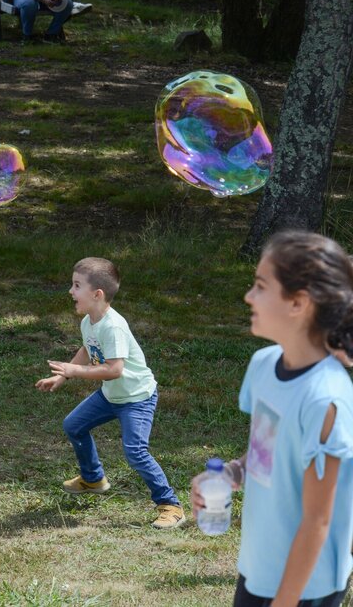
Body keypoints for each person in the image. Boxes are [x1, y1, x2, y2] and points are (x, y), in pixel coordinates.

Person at [191, 231, 353, 607]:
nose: (248, 296)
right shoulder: (263, 365)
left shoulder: (325, 398)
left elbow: (317, 521)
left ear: (298, 303)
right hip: (259, 565)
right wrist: (230, 474)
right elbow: (266, 453)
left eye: (261, 286)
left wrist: (286, 600)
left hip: (306, 586)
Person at [36, 257, 184, 530]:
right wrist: (62, 376)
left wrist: (75, 371)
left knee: (136, 452)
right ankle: (93, 478)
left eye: (76, 285)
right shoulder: (89, 322)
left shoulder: (113, 326)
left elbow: (115, 369)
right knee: (74, 425)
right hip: (112, 395)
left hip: (137, 398)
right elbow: (87, 350)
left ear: (97, 294)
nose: (70, 291)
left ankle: (170, 504)